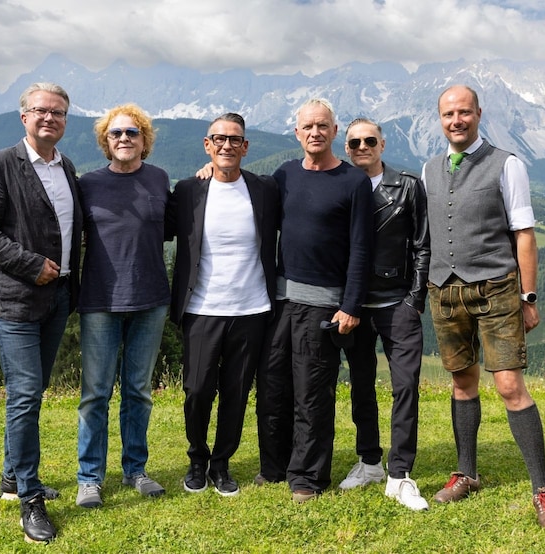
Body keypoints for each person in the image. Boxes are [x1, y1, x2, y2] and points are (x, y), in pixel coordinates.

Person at [422, 84, 545, 533]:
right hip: (444, 290)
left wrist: (529, 297)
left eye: (464, 112)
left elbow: (524, 233)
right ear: (440, 118)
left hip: (496, 289)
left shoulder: (507, 164)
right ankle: (467, 472)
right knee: (462, 382)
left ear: (479, 114)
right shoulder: (429, 168)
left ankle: (542, 490)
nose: (456, 121)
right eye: (448, 114)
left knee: (509, 386)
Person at [0, 82, 81, 544]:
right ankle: (30, 498)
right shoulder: (0, 165)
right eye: (41, 111)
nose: (49, 118)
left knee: (31, 391)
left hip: (56, 300)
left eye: (57, 113)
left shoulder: (66, 166)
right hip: (14, 300)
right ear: (24, 117)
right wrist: (31, 264)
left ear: (65, 120)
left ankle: (12, 479)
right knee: (26, 393)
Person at [256, 98, 374, 502]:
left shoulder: (353, 182)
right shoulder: (284, 175)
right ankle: (274, 466)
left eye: (322, 126)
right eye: (307, 127)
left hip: (324, 305)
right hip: (278, 301)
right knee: (273, 388)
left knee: (311, 393)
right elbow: (250, 201)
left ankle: (307, 477)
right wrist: (208, 173)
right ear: (296, 133)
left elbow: (362, 248)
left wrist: (352, 305)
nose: (315, 133)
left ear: (334, 132)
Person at [167, 113, 279, 497]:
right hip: (201, 308)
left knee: (236, 392)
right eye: (219, 139)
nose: (227, 145)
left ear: (245, 147)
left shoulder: (264, 190)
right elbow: (157, 227)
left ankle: (221, 464)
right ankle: (197, 458)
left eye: (235, 140)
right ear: (207, 145)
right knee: (197, 389)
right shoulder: (187, 191)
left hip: (251, 310)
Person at [75, 104, 171, 508]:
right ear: (105, 141)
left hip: (150, 297)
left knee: (138, 390)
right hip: (99, 299)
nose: (124, 139)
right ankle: (89, 477)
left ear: (144, 140)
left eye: (133, 132)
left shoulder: (160, 178)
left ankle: (136, 470)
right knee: (95, 393)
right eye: (116, 134)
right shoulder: (88, 184)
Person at [337, 118, 431, 511]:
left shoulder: (408, 186)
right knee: (360, 385)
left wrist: (415, 299)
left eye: (369, 140)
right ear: (346, 146)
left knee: (405, 386)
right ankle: (370, 461)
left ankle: (400, 472)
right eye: (354, 141)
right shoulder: (338, 186)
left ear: (382, 144)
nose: (362, 146)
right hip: (355, 305)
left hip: (397, 302)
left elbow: (423, 245)